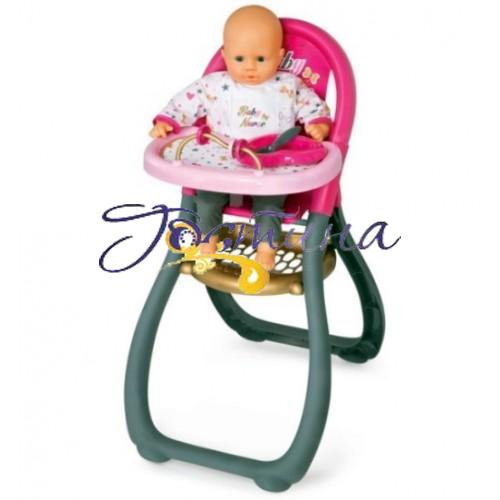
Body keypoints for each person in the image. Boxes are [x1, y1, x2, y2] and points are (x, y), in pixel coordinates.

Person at [150, 5, 331, 270]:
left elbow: (313, 106)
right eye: (239, 58)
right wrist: (168, 120)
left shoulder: (288, 86)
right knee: (207, 197)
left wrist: (317, 124)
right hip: (221, 157)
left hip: (270, 161)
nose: (250, 67)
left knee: (269, 204)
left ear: (279, 56)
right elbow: (186, 101)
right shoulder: (215, 85)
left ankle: (266, 248)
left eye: (261, 59)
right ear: (225, 55)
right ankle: (207, 240)